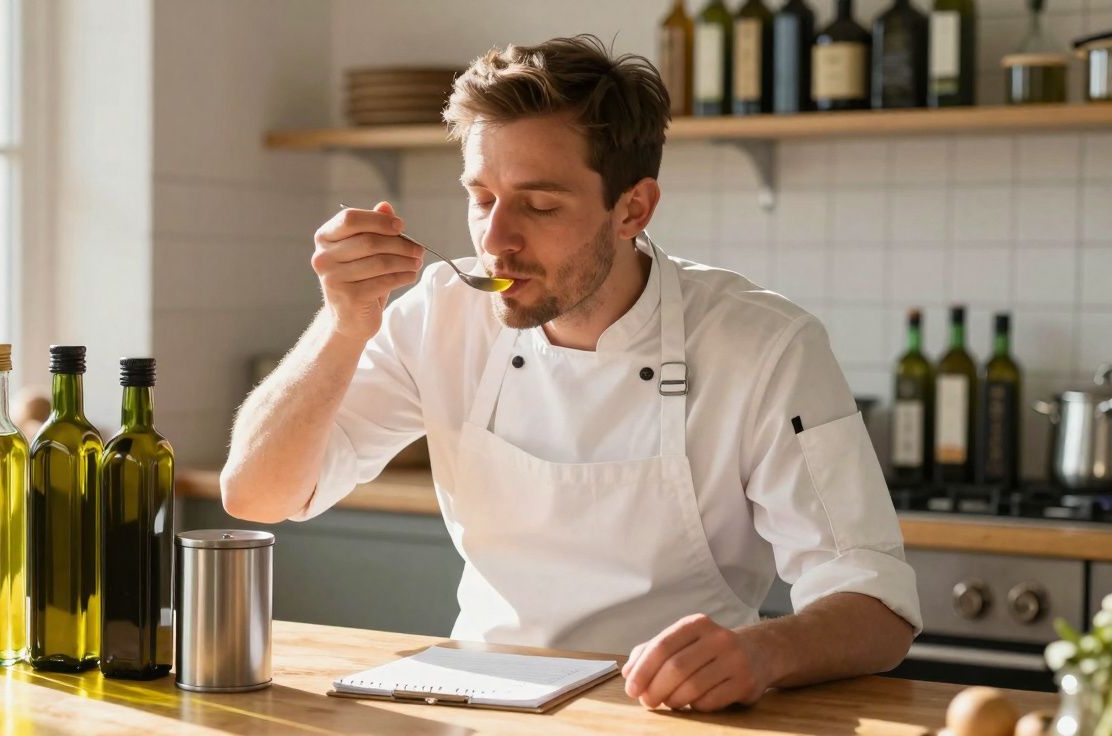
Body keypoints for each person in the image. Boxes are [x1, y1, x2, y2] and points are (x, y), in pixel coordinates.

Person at [221, 34, 920, 712]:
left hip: (671, 715)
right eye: (482, 198)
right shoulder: (440, 314)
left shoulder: (766, 346)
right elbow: (256, 495)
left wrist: (760, 654)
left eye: (540, 205)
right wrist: (343, 324)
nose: (496, 240)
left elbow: (876, 606)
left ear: (632, 208)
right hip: (478, 704)